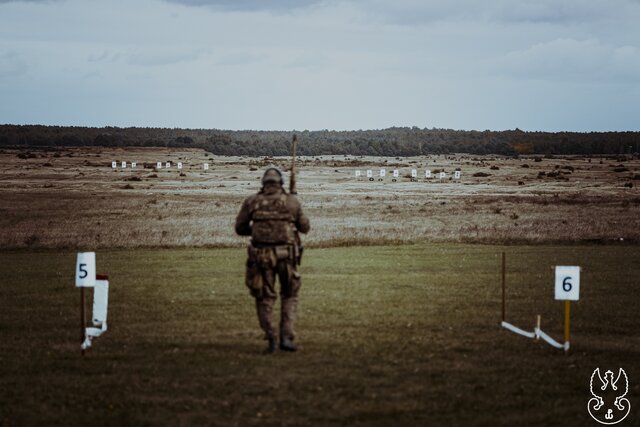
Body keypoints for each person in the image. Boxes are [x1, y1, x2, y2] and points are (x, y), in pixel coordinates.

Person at [235, 167, 310, 353]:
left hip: (261, 257)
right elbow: (305, 228)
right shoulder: (291, 202)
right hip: (287, 256)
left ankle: (272, 338)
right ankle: (286, 337)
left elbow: (240, 228)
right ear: (281, 183)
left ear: (263, 183)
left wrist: (260, 231)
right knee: (289, 295)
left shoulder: (252, 201)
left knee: (264, 298)